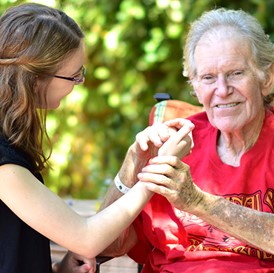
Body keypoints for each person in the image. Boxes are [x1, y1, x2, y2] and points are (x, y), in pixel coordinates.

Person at [98, 7, 274, 273]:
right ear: (195, 86)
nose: (222, 90)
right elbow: (106, 247)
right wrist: (131, 166)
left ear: (266, 77)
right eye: (208, 78)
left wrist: (196, 201)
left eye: (236, 73)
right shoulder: (174, 143)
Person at [0, 3, 194, 273]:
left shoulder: (10, 143)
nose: (78, 82)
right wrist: (158, 172)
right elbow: (87, 238)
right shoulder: (4, 165)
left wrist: (59, 269)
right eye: (74, 75)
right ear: (35, 79)